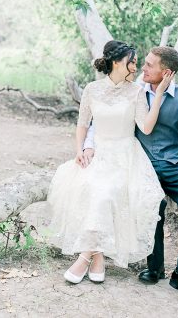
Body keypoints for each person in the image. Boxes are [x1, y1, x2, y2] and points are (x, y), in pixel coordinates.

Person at [82, 46, 178, 305]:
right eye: (144, 63)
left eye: (150, 65)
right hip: (141, 163)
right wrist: (88, 145)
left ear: (166, 73)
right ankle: (155, 266)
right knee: (152, 201)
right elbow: (102, 117)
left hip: (174, 165)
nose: (143, 68)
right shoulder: (133, 89)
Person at [47, 40, 170, 285]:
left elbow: (145, 128)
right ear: (116, 62)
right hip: (98, 153)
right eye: (132, 61)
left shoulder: (136, 91)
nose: (136, 66)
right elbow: (83, 123)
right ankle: (98, 256)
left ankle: (84, 256)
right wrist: (80, 150)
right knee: (88, 189)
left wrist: (158, 96)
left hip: (125, 156)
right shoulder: (92, 89)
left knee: (106, 194)